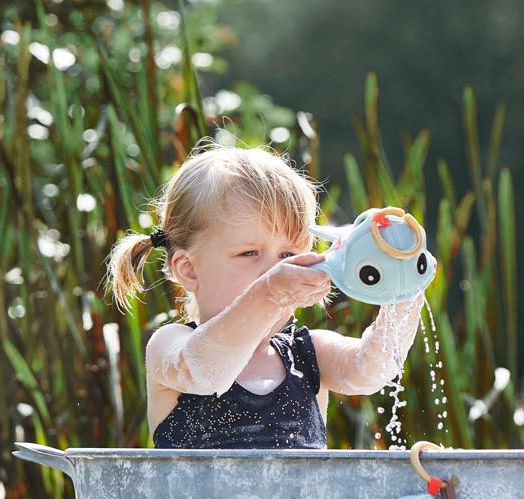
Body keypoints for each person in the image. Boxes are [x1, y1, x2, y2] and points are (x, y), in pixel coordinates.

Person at [105, 141, 424, 448]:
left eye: (287, 256)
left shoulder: (308, 354)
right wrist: (269, 292)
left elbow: (371, 370)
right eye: (249, 253)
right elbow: (206, 373)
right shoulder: (170, 346)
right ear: (188, 269)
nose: (273, 270)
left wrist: (403, 287)